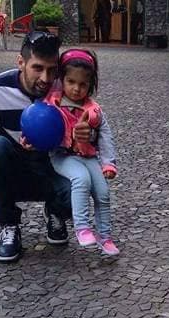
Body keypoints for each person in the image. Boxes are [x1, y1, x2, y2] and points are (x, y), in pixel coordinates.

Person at [0, 31, 92, 263]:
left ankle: (56, 212)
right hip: (13, 168)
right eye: (37, 68)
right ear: (21, 62)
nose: (46, 78)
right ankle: (8, 225)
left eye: (52, 69)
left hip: (51, 166)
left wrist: (89, 134)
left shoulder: (65, 88)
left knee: (82, 182)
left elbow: (93, 121)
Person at [45, 48, 119, 256]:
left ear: (91, 85)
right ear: (62, 79)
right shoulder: (52, 104)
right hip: (62, 156)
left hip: (88, 157)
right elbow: (41, 125)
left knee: (103, 194)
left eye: (83, 84)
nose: (76, 89)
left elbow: (106, 136)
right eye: (71, 82)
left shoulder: (94, 111)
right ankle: (82, 227)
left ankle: (105, 237)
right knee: (81, 179)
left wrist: (108, 163)